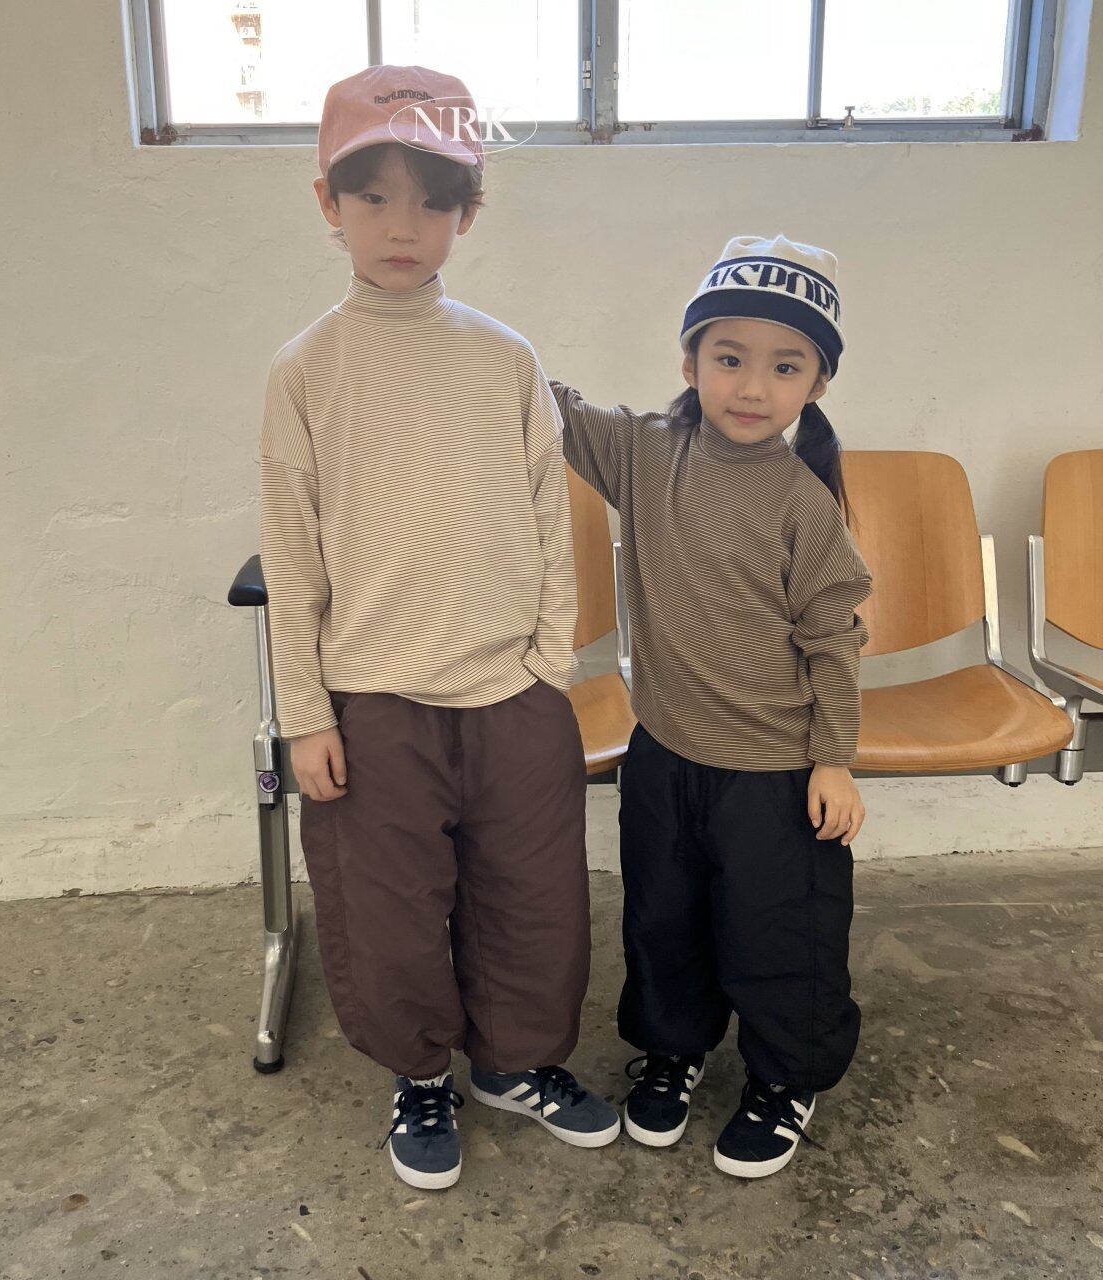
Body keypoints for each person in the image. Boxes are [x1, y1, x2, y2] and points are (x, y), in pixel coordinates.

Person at [257, 64, 619, 1192]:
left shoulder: (504, 357)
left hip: (511, 690)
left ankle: (516, 1063)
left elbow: (548, 518)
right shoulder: (304, 371)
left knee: (532, 895)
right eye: (373, 197)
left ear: (470, 211)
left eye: (431, 201)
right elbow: (292, 555)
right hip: (373, 700)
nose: (402, 227)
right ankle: (420, 1075)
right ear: (328, 202)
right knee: (389, 909)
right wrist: (306, 713)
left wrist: (546, 661)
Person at [550, 235, 871, 1178]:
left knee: (781, 936)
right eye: (729, 357)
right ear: (689, 361)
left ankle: (784, 1077)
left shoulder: (803, 503)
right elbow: (547, 405)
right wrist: (449, 323)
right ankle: (673, 1048)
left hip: (775, 775)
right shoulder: (644, 452)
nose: (752, 386)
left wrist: (835, 758)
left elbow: (833, 638)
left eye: (786, 365)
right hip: (664, 754)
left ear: (817, 383)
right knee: (664, 919)